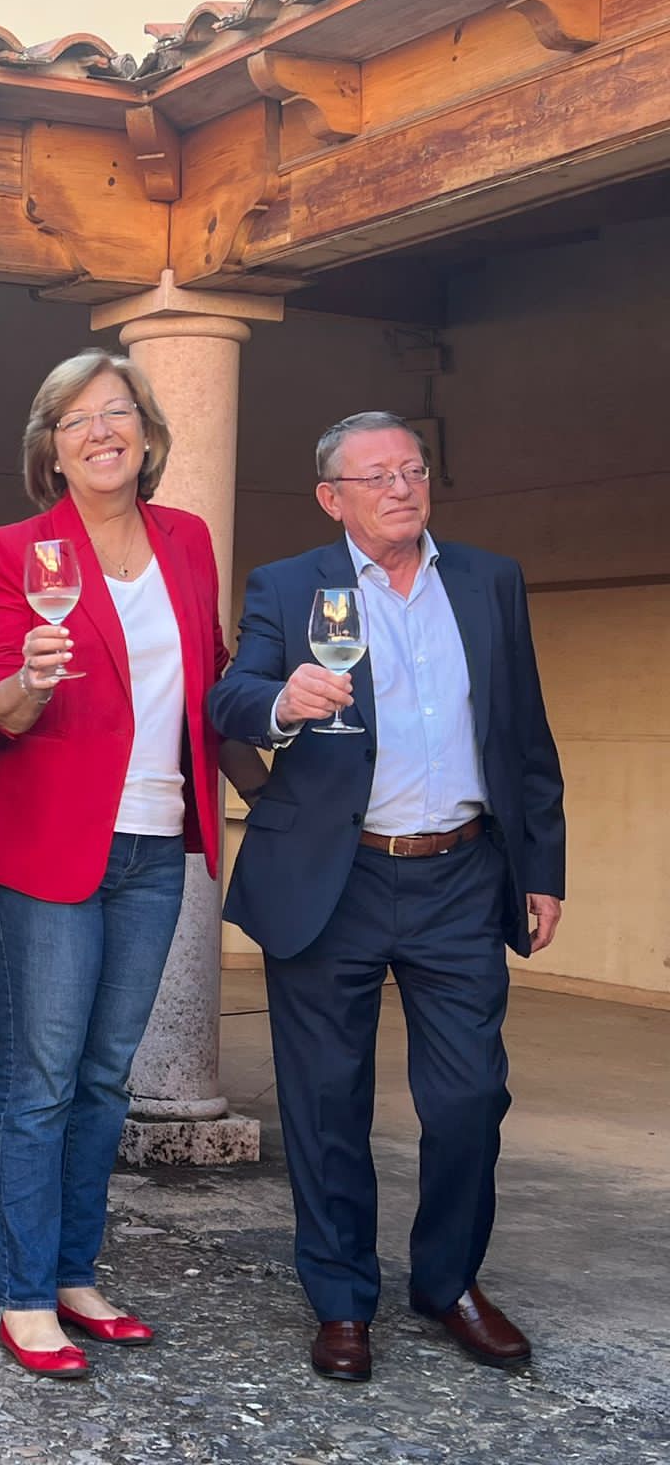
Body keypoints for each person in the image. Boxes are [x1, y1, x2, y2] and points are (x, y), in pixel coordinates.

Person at [209, 411, 565, 1383]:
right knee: (325, 1105)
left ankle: (445, 1280)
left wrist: (540, 868)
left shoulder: (485, 581)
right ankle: (339, 1301)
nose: (400, 487)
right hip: (336, 875)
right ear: (333, 498)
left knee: (468, 1099)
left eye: (411, 470)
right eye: (375, 476)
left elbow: (522, 735)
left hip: (459, 872)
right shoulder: (290, 586)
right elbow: (226, 701)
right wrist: (284, 700)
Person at [0, 349, 264, 1378]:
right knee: (40, 1080)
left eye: (118, 412)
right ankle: (18, 1293)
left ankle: (72, 1272)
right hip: (43, 845)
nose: (101, 430)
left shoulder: (186, 541)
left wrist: (269, 779)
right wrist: (32, 683)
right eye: (77, 418)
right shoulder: (13, 548)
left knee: (103, 1078)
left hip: (152, 839)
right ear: (49, 447)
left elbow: (210, 685)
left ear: (145, 431)